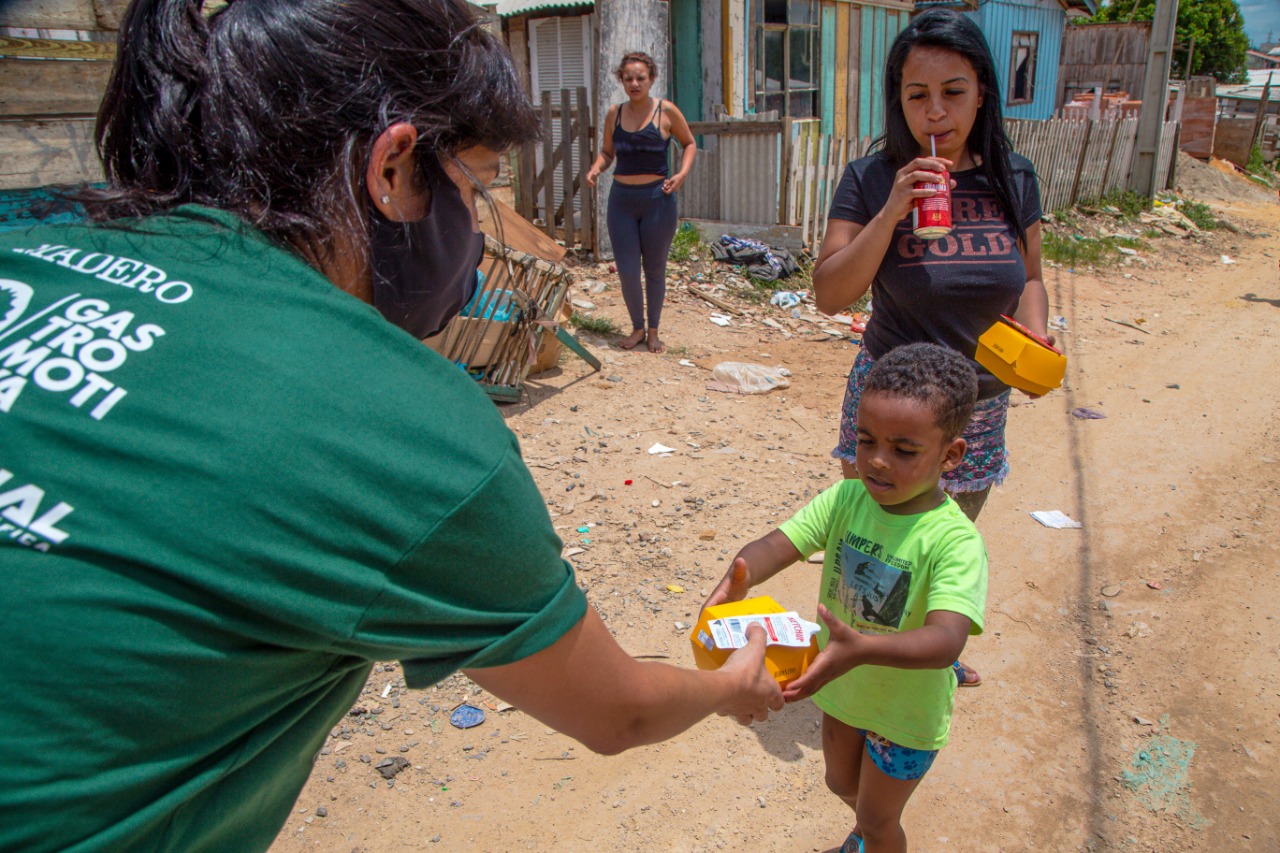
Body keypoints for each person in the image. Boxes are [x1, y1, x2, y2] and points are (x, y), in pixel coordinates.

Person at [0, 2, 783, 850]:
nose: (479, 239)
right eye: (477, 188)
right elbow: (619, 710)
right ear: (394, 168)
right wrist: (733, 682)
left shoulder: (32, 256)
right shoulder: (396, 419)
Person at [812, 8, 1048, 687]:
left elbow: (1029, 277)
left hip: (978, 405)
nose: (935, 112)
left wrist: (1036, 329)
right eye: (918, 95)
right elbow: (830, 292)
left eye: (953, 92)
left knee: (944, 539)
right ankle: (852, 660)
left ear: (982, 93)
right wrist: (891, 210)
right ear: (899, 99)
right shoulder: (869, 176)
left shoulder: (1016, 177)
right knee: (873, 543)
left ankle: (923, 650)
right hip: (889, 405)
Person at [703, 343, 988, 853]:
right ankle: (866, 834)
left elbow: (946, 641)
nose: (877, 461)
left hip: (906, 716)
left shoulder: (954, 540)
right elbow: (779, 544)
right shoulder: (846, 498)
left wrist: (861, 649)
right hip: (843, 690)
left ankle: (874, 839)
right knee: (842, 786)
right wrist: (739, 576)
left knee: (880, 822)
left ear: (950, 454)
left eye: (903, 450)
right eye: (865, 440)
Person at [586, 51, 696, 353]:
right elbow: (608, 152)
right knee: (627, 269)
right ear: (621, 80)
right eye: (628, 78)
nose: (634, 83)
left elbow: (688, 143)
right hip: (621, 201)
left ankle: (653, 331)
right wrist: (597, 167)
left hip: (657, 201)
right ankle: (636, 327)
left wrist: (682, 174)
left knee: (655, 269)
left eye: (640, 78)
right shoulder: (615, 113)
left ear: (651, 79)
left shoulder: (666, 111)